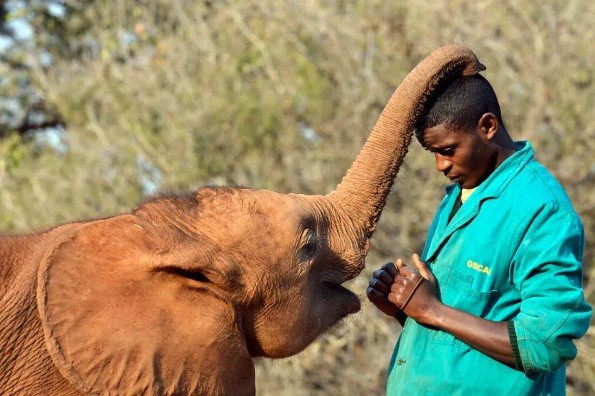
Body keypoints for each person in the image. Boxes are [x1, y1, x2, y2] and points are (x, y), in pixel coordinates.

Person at [366, 72, 592, 395]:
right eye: (433, 152)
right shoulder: (461, 193)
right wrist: (406, 308)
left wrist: (432, 310)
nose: (440, 165)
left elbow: (546, 343)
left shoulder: (543, 211)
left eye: (447, 150)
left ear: (488, 127)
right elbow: (464, 325)